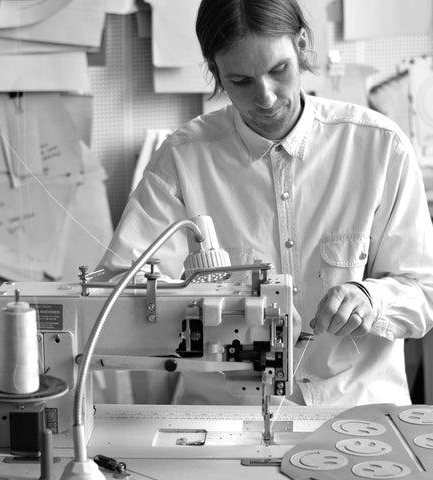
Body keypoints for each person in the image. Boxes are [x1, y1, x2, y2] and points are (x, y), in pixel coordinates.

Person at [97, 0, 433, 406]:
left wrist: (370, 298)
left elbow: (424, 290)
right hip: (224, 415)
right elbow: (119, 288)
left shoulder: (380, 148)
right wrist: (219, 311)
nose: (267, 98)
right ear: (215, 71)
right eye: (240, 81)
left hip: (356, 407)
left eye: (278, 71)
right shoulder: (182, 159)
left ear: (302, 45)